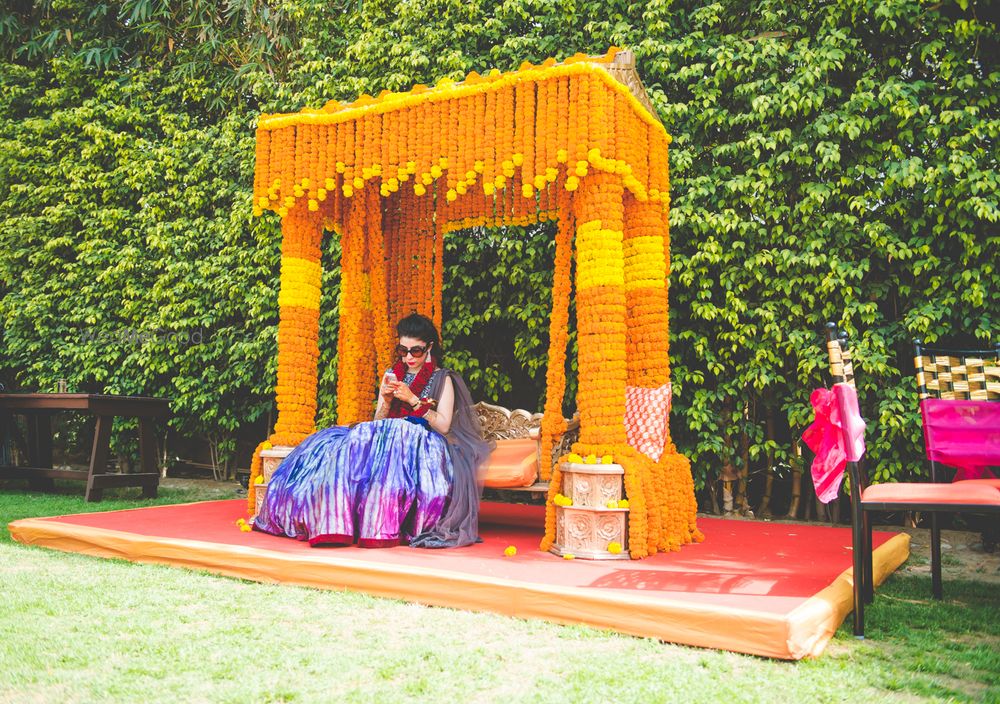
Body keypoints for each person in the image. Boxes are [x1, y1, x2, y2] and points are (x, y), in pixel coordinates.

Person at [254, 314, 492, 548]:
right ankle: (334, 524)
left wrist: (413, 401)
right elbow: (378, 420)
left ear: (429, 347)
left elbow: (443, 425)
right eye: (403, 350)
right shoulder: (392, 374)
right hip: (385, 437)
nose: (409, 357)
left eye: (416, 351)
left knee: (394, 436)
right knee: (331, 445)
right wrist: (387, 401)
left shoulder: (443, 378)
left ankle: (378, 527)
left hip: (420, 442)